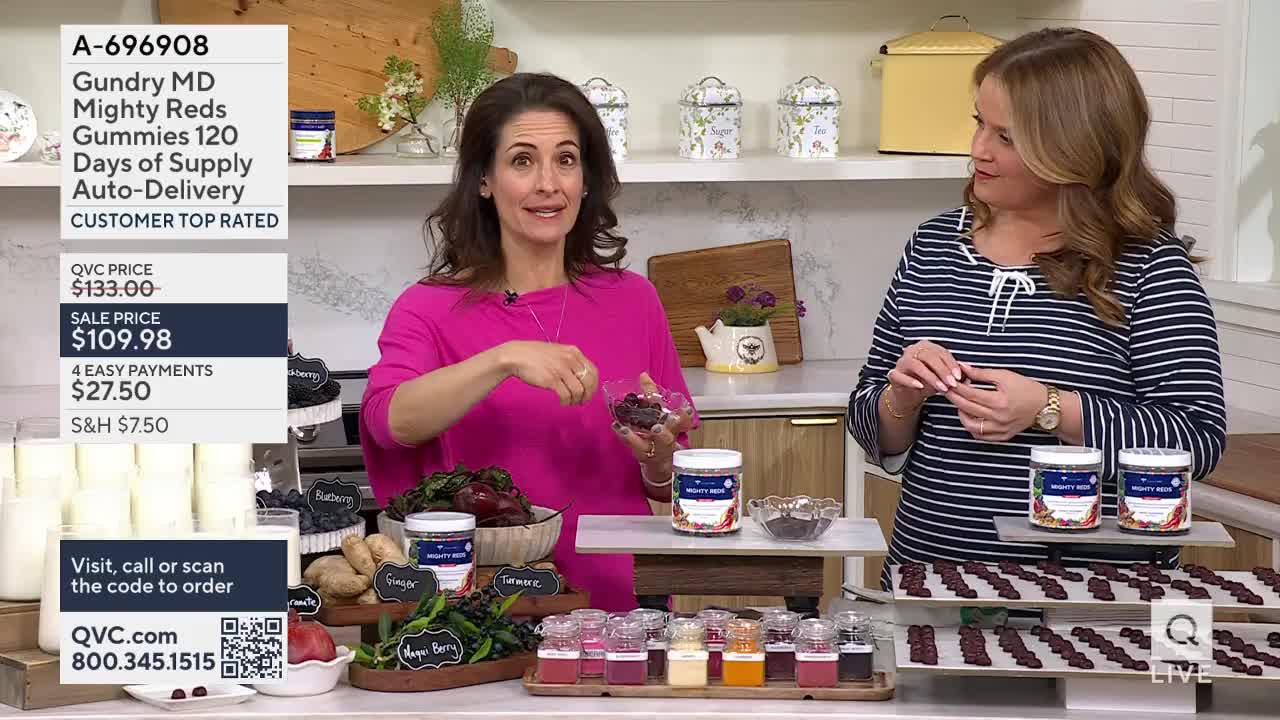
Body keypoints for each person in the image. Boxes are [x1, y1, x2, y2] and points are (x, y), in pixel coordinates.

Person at [848, 28, 1227, 581]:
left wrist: (1051, 409)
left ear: (1074, 147)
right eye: (980, 123)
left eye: (1006, 136)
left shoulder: (1149, 266)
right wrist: (899, 399)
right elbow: (869, 423)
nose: (978, 149)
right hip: (927, 590)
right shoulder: (933, 248)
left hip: (1095, 606)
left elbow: (1197, 442)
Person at [360, 73, 697, 611]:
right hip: (480, 611)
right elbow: (386, 421)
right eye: (522, 161)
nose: (548, 183)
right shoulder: (428, 308)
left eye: (566, 160)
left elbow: (671, 478)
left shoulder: (635, 300)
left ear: (586, 179)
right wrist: (504, 358)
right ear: (484, 180)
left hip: (618, 606)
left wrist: (659, 461)